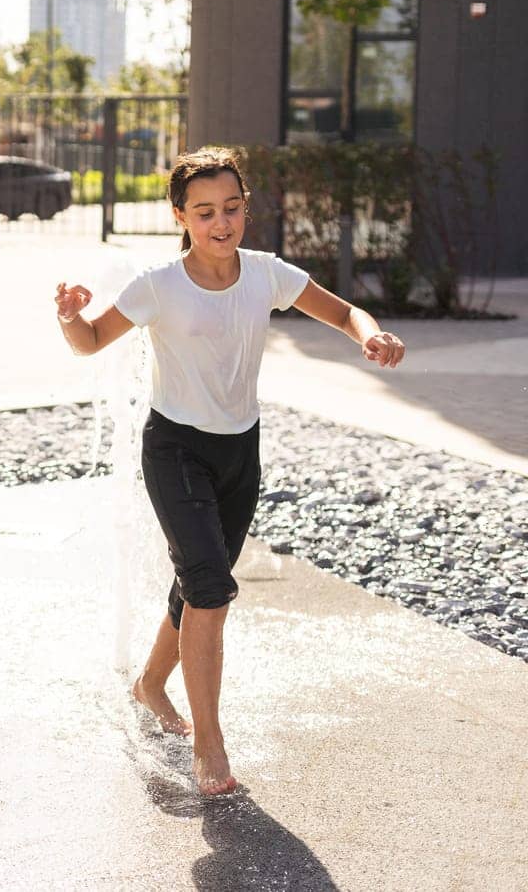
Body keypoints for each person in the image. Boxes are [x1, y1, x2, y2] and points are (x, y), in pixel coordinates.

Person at [53, 146, 405, 796]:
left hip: (240, 452)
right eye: (206, 211)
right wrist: (72, 316)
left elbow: (341, 311)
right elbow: (92, 341)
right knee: (211, 586)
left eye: (233, 208)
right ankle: (209, 747)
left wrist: (370, 334)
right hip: (175, 449)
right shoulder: (158, 283)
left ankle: (151, 683)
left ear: (246, 208)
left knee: (197, 584)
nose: (223, 223)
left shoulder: (265, 274)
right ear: (180, 215)